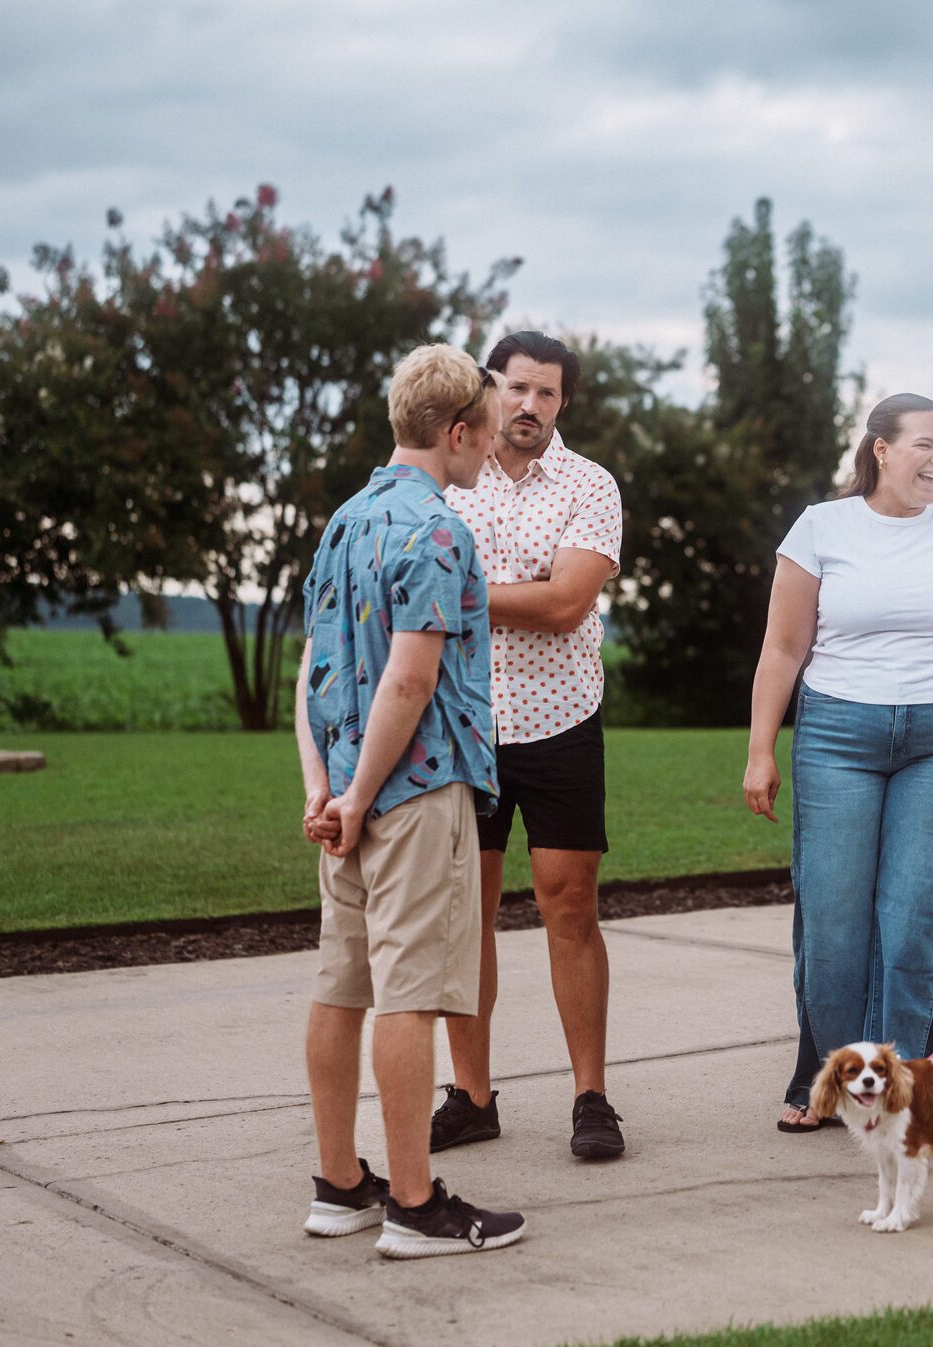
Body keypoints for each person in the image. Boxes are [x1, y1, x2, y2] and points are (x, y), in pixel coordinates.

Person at [295, 343, 525, 1257]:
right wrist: (357, 794)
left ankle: (339, 1185)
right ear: (456, 430)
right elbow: (408, 681)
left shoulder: (345, 522)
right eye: (485, 429)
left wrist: (324, 792)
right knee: (410, 993)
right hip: (414, 793)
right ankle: (415, 1207)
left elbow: (311, 674)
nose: (489, 449)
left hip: (345, 799)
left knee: (339, 986)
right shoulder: (437, 531)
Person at [744, 394, 933, 1133]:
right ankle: (828, 1076)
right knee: (833, 922)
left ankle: (914, 1085)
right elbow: (782, 649)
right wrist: (759, 750)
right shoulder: (821, 527)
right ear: (881, 450)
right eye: (925, 444)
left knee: (916, 922)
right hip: (838, 734)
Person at [437, 331, 627, 1161]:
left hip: (561, 720)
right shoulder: (448, 478)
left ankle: (592, 1096)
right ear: (492, 390)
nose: (529, 405)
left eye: (546, 393)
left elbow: (565, 606)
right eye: (517, 388)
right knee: (465, 916)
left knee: (569, 906)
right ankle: (472, 1097)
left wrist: (461, 591)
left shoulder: (592, 485)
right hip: (464, 722)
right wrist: (531, 589)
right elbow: (540, 594)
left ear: (562, 403)